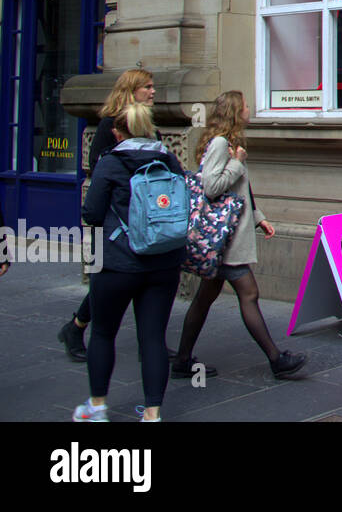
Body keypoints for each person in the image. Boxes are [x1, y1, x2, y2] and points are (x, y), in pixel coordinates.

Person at [170, 91, 307, 380]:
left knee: (204, 298)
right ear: (235, 111)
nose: (249, 108)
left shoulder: (228, 143)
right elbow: (211, 187)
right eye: (245, 105)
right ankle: (276, 359)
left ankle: (183, 359)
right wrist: (237, 162)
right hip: (225, 241)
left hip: (226, 238)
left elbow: (239, 193)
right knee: (250, 293)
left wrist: (260, 218)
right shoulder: (221, 144)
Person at [76, 102, 184, 421]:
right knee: (152, 338)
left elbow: (92, 214)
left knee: (103, 334)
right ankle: (152, 413)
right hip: (164, 262)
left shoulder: (111, 162)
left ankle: (96, 408)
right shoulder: (169, 158)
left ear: (116, 131)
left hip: (116, 262)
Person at [58, 68, 156, 362]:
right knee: (108, 280)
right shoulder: (109, 125)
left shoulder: (149, 123)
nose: (153, 92)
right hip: (113, 217)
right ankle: (77, 327)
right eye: (147, 87)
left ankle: (149, 344)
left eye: (153, 87)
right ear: (131, 90)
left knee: (135, 279)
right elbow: (99, 168)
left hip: (140, 216)